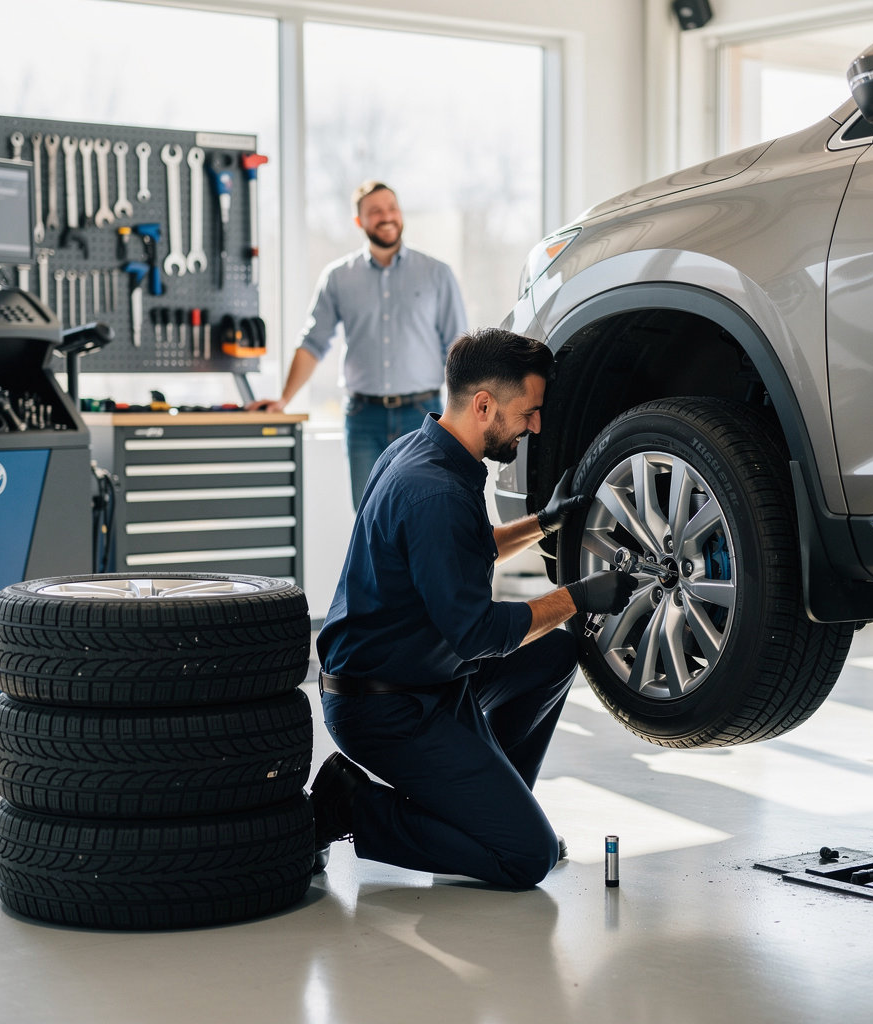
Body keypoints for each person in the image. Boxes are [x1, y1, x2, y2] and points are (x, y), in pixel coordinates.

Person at [308, 327, 638, 889]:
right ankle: (351, 805)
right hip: (387, 710)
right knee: (525, 859)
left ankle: (489, 812)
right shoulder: (432, 491)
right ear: (484, 406)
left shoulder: (422, 452)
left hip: (426, 678)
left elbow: (470, 546)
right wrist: (577, 597)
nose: (535, 425)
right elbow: (479, 634)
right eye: (528, 412)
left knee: (555, 653)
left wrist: (545, 522)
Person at [247, 181, 467, 509]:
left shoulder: (437, 273)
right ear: (359, 221)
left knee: (427, 511)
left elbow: (457, 350)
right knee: (369, 517)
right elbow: (313, 342)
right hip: (364, 419)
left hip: (422, 415)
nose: (386, 216)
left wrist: (460, 416)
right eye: (375, 211)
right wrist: (284, 398)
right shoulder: (338, 277)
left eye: (391, 208)